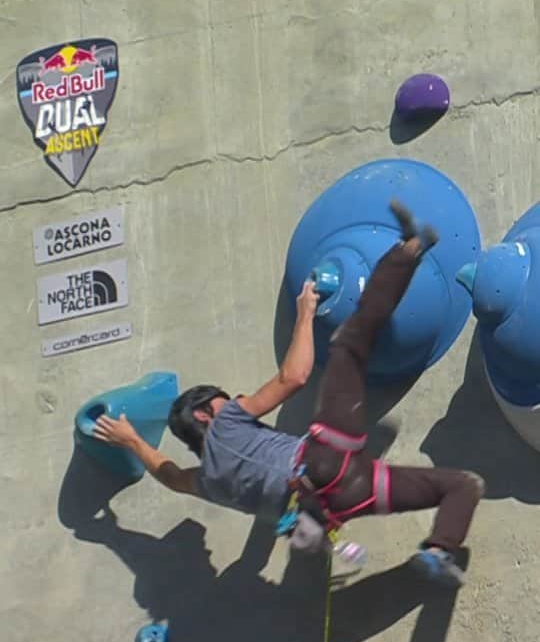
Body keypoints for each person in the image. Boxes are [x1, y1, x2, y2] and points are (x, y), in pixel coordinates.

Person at [93, 201, 484, 587]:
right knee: (349, 343)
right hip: (325, 457)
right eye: (222, 399)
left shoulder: (211, 482)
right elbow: (294, 376)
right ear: (203, 415)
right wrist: (305, 314)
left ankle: (439, 552)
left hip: (344, 499)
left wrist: (131, 441)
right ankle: (410, 247)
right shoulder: (227, 421)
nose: (232, 400)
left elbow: (174, 477)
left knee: (463, 484)